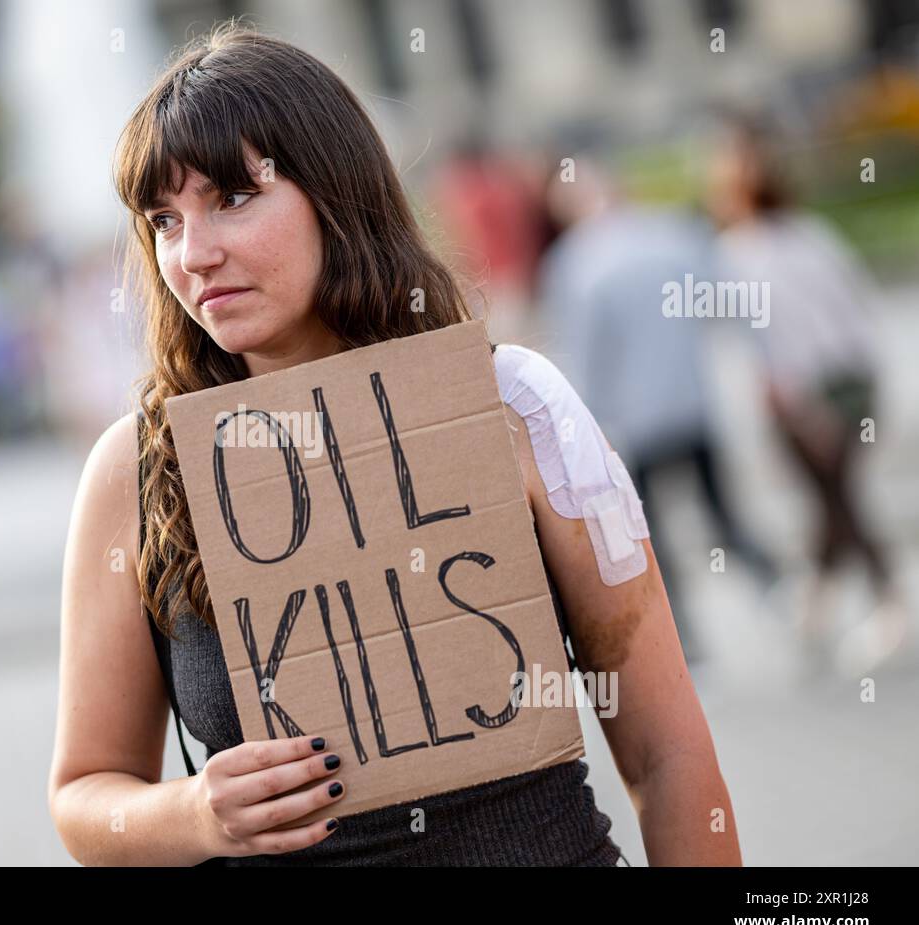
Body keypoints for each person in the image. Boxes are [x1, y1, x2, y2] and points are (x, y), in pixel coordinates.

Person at [48, 22, 739, 867]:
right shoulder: (138, 468)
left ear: (334, 191)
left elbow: (665, 755)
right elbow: (85, 796)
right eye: (163, 218)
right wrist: (196, 814)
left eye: (233, 197)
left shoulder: (513, 404)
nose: (194, 254)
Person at [538, 157, 779, 661]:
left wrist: (585, 432)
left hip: (633, 425)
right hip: (691, 406)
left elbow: (583, 356)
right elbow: (723, 306)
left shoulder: (574, 264)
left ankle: (682, 639)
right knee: (723, 514)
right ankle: (776, 586)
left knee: (652, 537)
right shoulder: (671, 236)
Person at [705, 115, 907, 671]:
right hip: (846, 382)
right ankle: (819, 603)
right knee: (831, 494)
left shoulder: (746, 249)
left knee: (837, 497)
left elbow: (780, 337)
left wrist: (804, 405)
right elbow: (855, 308)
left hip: (811, 392)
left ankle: (885, 602)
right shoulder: (803, 234)